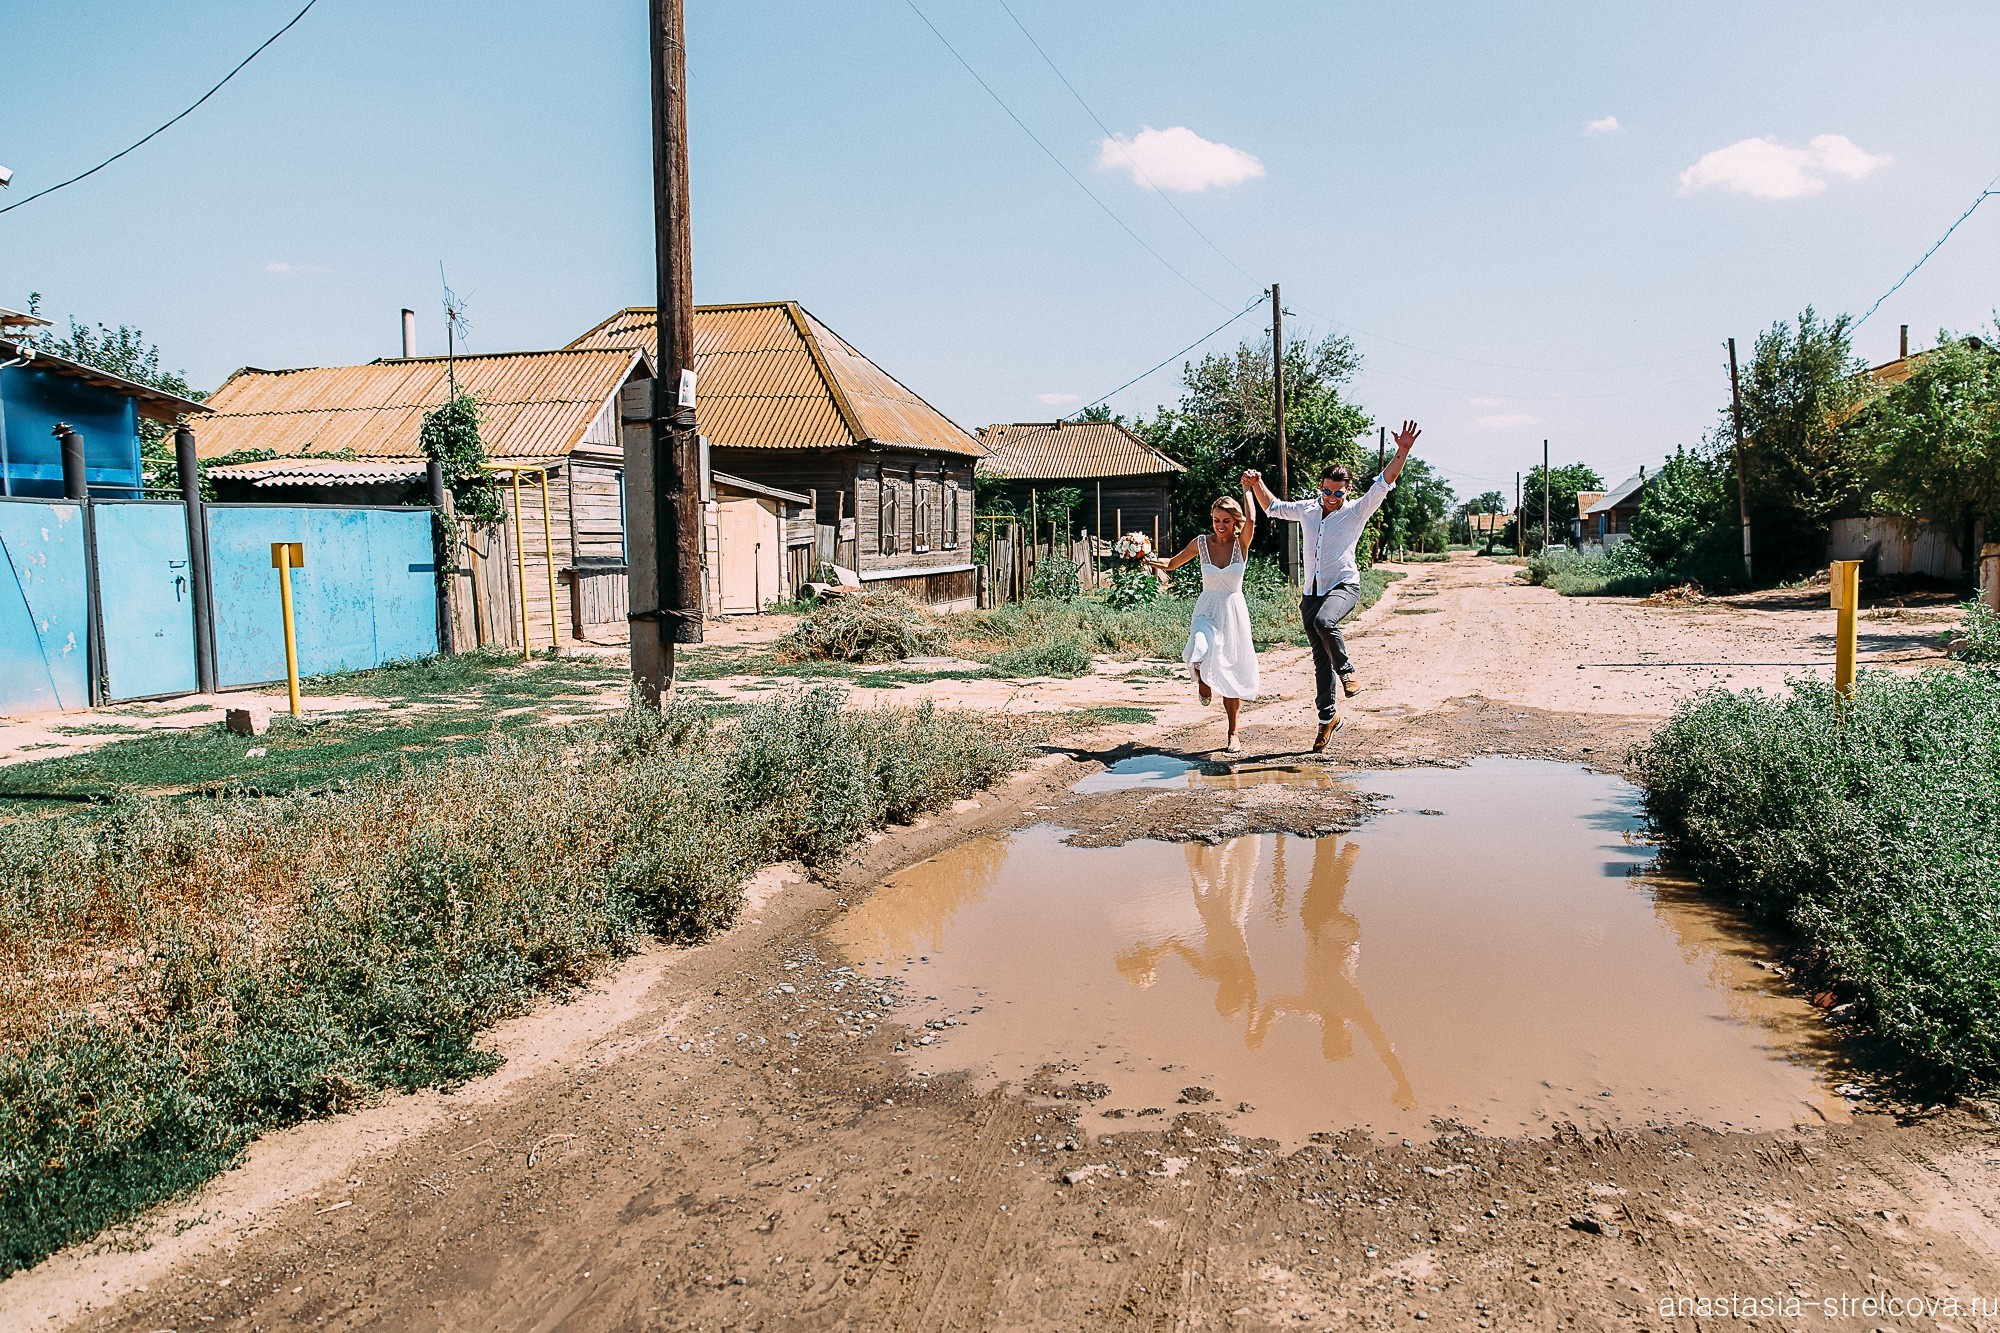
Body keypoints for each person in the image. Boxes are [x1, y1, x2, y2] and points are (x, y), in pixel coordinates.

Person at [1245, 419, 1420, 752]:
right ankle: (1328, 720)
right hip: (1311, 594)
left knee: (1325, 622)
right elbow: (1272, 507)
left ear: (1347, 491)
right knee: (1318, 660)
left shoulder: (1355, 512)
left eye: (1338, 492)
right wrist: (1257, 483)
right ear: (1320, 487)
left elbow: (1384, 482)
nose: (1331, 497)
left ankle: (1349, 671)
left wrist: (1403, 451)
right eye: (1327, 490)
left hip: (1343, 586)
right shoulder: (1309, 510)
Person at [1146, 489, 1260, 752]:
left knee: (1230, 673)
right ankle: (1203, 682)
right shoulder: (1201, 543)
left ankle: (1233, 733)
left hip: (1233, 613)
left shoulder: (1241, 544)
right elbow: (1173, 564)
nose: (1220, 526)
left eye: (1226, 521)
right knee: (1199, 647)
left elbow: (1252, 519)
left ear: (1235, 522)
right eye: (1216, 520)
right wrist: (1145, 558)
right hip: (1206, 609)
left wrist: (1248, 490)